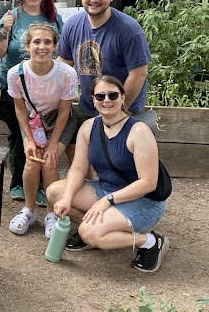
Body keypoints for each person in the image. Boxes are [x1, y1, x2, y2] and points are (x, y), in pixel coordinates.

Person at [45, 75, 169, 272]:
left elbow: (148, 183)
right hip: (107, 189)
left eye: (112, 95)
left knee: (89, 232)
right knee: (55, 193)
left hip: (143, 200)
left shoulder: (139, 131)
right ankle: (103, 229)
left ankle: (149, 241)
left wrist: (106, 201)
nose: (106, 100)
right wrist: (67, 198)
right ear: (93, 100)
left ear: (122, 97)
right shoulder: (89, 127)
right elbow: (77, 168)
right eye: (100, 96)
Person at [0, 0, 64, 203]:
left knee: (45, 136)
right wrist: (4, 30)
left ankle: (43, 186)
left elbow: (62, 51)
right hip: (15, 88)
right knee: (18, 135)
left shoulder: (53, 19)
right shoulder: (12, 16)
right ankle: (18, 184)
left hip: (46, 88)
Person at [58, 0, 155, 134]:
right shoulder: (72, 25)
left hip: (125, 107)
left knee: (120, 155)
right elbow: (64, 62)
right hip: (88, 106)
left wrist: (120, 111)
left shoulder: (128, 29)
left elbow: (138, 74)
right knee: (73, 144)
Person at [6, 24, 78, 237]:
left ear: (55, 46)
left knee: (50, 162)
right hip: (33, 123)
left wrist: (54, 143)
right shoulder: (16, 74)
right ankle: (28, 210)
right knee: (32, 160)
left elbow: (65, 111)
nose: (42, 46)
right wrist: (29, 139)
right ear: (27, 45)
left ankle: (50, 212)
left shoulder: (66, 73)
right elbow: (19, 108)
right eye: (36, 42)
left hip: (59, 122)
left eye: (47, 42)